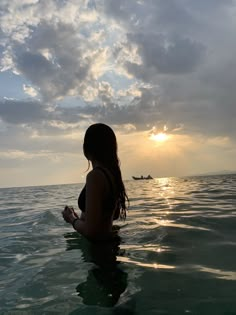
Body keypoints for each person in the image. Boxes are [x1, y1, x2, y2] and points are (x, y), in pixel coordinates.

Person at [62, 123, 128, 241]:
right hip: (110, 247)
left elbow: (92, 232)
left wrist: (71, 218)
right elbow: (114, 215)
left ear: (86, 149)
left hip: (97, 252)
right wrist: (82, 218)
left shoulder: (95, 177)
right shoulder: (112, 175)